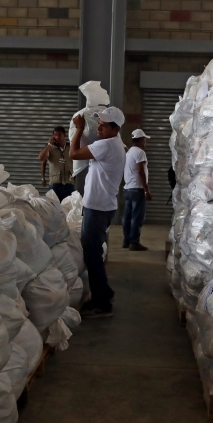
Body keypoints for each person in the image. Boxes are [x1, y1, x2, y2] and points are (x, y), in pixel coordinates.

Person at [70, 106, 126, 319]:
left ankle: (102, 304)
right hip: (102, 205)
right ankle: (106, 292)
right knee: (93, 251)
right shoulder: (113, 144)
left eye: (104, 125)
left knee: (92, 254)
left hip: (98, 207)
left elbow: (73, 153)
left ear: (115, 128)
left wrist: (79, 129)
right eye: (99, 124)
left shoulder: (107, 145)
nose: (99, 128)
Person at [122, 128, 152, 251]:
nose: (145, 143)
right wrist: (146, 190)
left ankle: (126, 241)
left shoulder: (128, 153)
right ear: (140, 140)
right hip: (137, 189)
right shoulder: (140, 153)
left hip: (128, 189)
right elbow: (140, 171)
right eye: (144, 140)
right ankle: (134, 242)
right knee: (137, 217)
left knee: (127, 216)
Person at [38, 126, 75, 203]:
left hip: (69, 183)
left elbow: (77, 161)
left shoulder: (70, 147)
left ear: (64, 135)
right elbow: (42, 159)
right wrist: (43, 178)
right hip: (55, 184)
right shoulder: (50, 148)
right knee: (55, 208)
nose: (57, 137)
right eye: (55, 135)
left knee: (68, 207)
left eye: (59, 135)